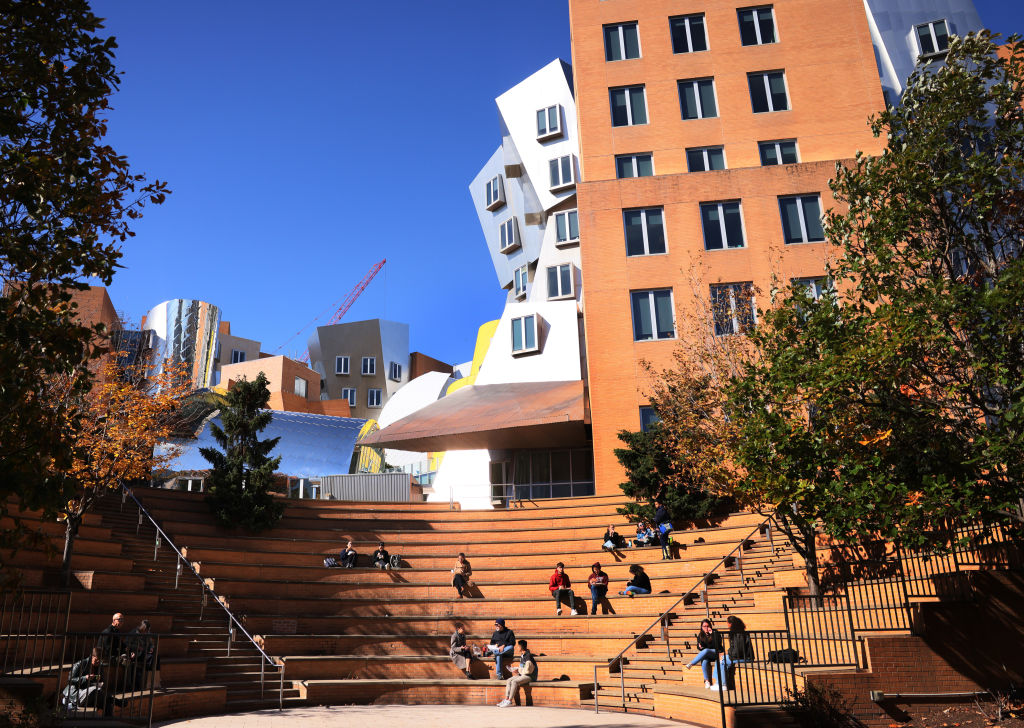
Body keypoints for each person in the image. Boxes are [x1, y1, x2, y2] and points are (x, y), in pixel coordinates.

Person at [62, 647, 113, 716]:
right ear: (92, 657)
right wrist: (84, 678)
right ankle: (114, 699)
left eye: (101, 661)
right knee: (95, 690)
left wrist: (100, 681)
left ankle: (107, 722)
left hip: (91, 695)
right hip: (77, 694)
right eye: (97, 660)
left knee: (107, 703)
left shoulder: (99, 667)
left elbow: (102, 681)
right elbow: (70, 680)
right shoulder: (80, 664)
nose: (99, 662)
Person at [711, 616, 754, 691]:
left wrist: (727, 655)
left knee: (722, 660)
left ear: (731, 624)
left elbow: (737, 651)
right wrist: (726, 653)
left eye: (727, 623)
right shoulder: (737, 633)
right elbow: (734, 649)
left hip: (745, 657)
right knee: (720, 659)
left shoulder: (738, 634)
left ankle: (723, 684)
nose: (727, 625)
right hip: (740, 656)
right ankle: (718, 683)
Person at [685, 618, 724, 689]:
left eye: (707, 626)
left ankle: (691, 663)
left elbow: (718, 645)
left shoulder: (715, 633)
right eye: (704, 626)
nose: (706, 628)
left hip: (716, 653)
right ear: (701, 627)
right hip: (708, 655)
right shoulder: (701, 635)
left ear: (710, 626)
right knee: (704, 661)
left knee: (706, 651)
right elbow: (699, 646)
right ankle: (707, 681)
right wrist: (700, 647)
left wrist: (712, 634)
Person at [496, 639, 537, 707]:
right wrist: (515, 669)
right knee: (509, 680)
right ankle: (506, 699)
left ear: (521, 647)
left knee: (514, 682)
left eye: (518, 646)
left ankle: (509, 701)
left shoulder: (528, 656)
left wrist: (518, 671)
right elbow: (522, 667)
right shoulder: (522, 655)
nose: (517, 648)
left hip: (530, 676)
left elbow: (528, 671)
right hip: (523, 674)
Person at [127, 619, 161, 690]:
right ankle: (150, 677)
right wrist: (138, 647)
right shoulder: (134, 633)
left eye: (148, 630)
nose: (146, 631)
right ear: (142, 627)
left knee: (156, 657)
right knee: (152, 658)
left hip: (145, 653)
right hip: (137, 653)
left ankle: (153, 676)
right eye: (146, 629)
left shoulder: (147, 633)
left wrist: (151, 648)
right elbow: (127, 644)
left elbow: (151, 644)